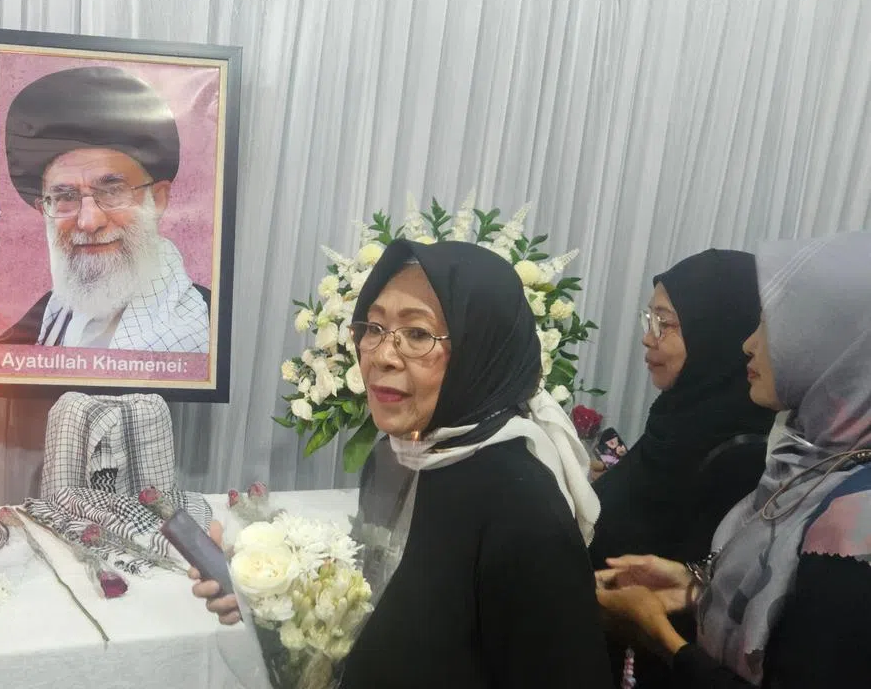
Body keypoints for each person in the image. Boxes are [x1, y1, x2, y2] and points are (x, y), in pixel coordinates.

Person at [192, 239, 613, 687]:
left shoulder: (522, 507)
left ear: (482, 347)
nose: (381, 355)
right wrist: (270, 596)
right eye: (372, 328)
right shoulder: (396, 458)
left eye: (417, 334)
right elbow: (375, 603)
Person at [596, 231, 871, 687]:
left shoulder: (855, 523)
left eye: (771, 325)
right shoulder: (810, 461)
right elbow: (782, 611)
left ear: (833, 344)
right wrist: (693, 588)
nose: (749, 343)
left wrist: (659, 634)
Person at [588, 251, 777, 686]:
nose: (648, 338)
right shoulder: (677, 419)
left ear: (717, 331)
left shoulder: (741, 451)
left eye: (665, 323)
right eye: (648, 319)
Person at [0, 65, 210, 352]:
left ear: (157, 199)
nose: (89, 221)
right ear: (44, 208)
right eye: (66, 196)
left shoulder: (204, 325)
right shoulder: (45, 318)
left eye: (112, 191)